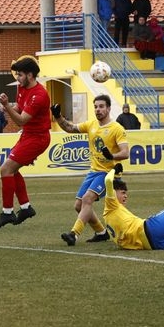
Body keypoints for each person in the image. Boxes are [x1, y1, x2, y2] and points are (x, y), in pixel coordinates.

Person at [51, 94, 129, 245]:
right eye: (95, 107)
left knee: (87, 199)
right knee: (79, 206)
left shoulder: (116, 128)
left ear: (108, 108)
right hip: (94, 171)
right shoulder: (91, 124)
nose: (98, 110)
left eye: (101, 106)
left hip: (109, 173)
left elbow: (125, 152)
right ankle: (101, 232)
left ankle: (74, 234)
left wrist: (111, 155)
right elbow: (70, 128)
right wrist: (58, 116)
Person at [0, 55, 51, 228]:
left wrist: (7, 107)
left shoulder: (39, 95)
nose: (17, 78)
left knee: (5, 169)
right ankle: (25, 207)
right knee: (12, 170)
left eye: (20, 74)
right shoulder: (22, 88)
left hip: (38, 137)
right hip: (28, 135)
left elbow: (21, 120)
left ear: (30, 75)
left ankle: (7, 212)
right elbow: (19, 108)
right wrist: (7, 107)